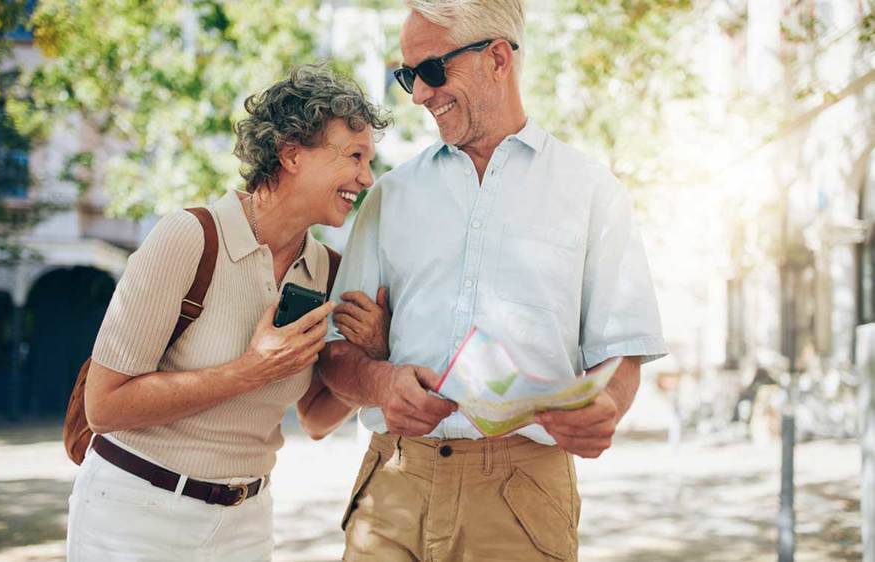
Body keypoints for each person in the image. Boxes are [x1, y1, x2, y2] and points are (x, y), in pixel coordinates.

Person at [318, 1, 667, 560]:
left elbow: (621, 355)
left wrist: (608, 407)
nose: (419, 95)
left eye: (431, 71)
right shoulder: (390, 195)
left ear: (498, 59)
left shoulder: (592, 192)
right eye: (408, 76)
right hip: (393, 488)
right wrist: (381, 383)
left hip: (521, 499)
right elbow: (334, 355)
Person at [66, 65, 391, 561]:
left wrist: (376, 352)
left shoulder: (328, 272)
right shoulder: (189, 237)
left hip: (246, 524)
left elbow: (318, 419)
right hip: (134, 514)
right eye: (354, 157)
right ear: (291, 154)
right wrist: (248, 371)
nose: (366, 178)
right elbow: (104, 407)